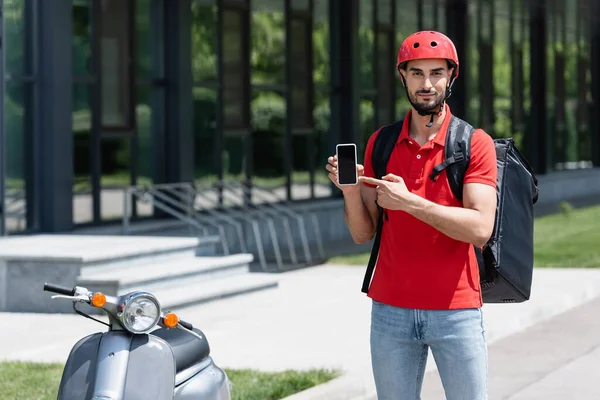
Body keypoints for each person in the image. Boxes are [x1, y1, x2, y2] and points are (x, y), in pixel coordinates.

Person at [325, 31, 498, 400]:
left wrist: (411, 202)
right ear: (402, 77)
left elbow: (481, 228)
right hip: (390, 311)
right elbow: (362, 233)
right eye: (416, 73)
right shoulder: (381, 142)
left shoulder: (473, 143)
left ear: (452, 77)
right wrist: (351, 191)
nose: (427, 83)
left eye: (437, 72)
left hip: (456, 311)